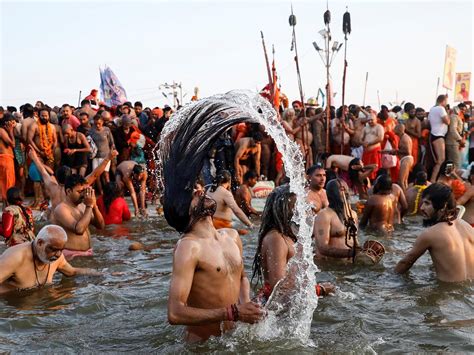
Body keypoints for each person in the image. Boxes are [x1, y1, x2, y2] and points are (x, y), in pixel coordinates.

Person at [161, 99, 265, 341]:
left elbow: (241, 279)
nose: (200, 191)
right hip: (202, 347)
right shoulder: (188, 247)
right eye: (192, 194)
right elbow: (174, 313)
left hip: (233, 340)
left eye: (197, 188)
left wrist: (247, 307)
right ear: (184, 210)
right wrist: (234, 312)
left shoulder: (231, 236)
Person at [252, 185, 334, 304]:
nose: (301, 209)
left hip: (291, 304)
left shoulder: (286, 234)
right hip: (277, 310)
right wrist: (319, 290)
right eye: (296, 205)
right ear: (283, 208)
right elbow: (278, 289)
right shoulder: (276, 239)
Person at [395, 183, 474, 282]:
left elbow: (405, 263)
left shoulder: (431, 234)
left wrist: (389, 278)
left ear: (443, 206)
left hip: (447, 293)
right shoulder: (468, 228)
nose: (422, 208)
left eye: (427, 203)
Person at [0, 225, 101, 293]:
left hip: (41, 303)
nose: (58, 254)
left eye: (61, 250)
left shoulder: (57, 257)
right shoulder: (15, 257)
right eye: (53, 249)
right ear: (40, 243)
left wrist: (103, 274)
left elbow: (72, 272)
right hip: (15, 309)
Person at [53, 175, 105, 259]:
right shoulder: (61, 209)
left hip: (87, 254)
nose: (83, 194)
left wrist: (94, 205)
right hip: (71, 257)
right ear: (69, 191)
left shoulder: (83, 206)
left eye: (84, 191)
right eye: (79, 191)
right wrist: (89, 206)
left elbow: (101, 225)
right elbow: (79, 230)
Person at [313, 179, 359, 262]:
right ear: (332, 193)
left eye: (346, 189)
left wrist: (362, 251)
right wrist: (349, 253)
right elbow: (322, 248)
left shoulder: (353, 214)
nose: (346, 193)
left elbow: (355, 240)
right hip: (331, 267)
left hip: (348, 265)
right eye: (341, 189)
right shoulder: (324, 215)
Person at [89, 114, 116, 194]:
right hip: (96, 156)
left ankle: (109, 192)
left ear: (102, 122)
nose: (97, 125)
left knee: (105, 174)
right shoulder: (91, 131)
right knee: (96, 175)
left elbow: (112, 143)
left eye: (99, 123)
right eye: (96, 123)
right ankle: (101, 192)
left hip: (106, 155)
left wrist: (112, 154)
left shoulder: (107, 130)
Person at [428, 95, 450, 183]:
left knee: (439, 159)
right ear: (443, 101)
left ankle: (434, 179)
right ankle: (433, 180)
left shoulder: (432, 109)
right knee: (440, 159)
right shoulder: (441, 109)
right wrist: (448, 114)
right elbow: (447, 121)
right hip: (438, 135)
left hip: (435, 134)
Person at [361, 112, 384, 180]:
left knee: (375, 169)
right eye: (368, 120)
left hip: (375, 151)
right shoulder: (365, 128)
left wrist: (369, 143)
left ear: (376, 119)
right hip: (366, 152)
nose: (370, 121)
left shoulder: (379, 127)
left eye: (372, 119)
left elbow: (380, 138)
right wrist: (363, 143)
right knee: (365, 168)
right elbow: (360, 138)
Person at [0, 115, 16, 207]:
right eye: (12, 122)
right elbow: (12, 144)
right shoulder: (1, 130)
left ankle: (6, 205)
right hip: (5, 159)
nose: (13, 125)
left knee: (5, 182)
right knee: (7, 183)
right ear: (7, 123)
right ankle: (7, 206)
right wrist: (11, 132)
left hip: (6, 158)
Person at [394, 124, 414, 191]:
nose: (394, 130)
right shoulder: (402, 137)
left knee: (401, 181)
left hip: (406, 159)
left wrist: (397, 151)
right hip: (406, 159)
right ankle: (407, 195)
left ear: (399, 130)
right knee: (405, 181)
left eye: (395, 128)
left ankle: (405, 197)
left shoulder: (405, 138)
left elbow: (407, 152)